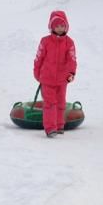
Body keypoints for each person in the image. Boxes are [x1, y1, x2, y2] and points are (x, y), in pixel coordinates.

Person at [33, 10, 77, 138]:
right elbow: (39, 58)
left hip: (62, 80)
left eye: (62, 26)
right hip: (47, 78)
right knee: (50, 103)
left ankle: (59, 125)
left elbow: (72, 60)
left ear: (66, 26)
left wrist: (71, 73)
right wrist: (37, 72)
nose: (59, 28)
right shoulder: (45, 41)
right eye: (57, 26)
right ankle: (50, 128)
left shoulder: (69, 42)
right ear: (52, 27)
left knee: (61, 102)